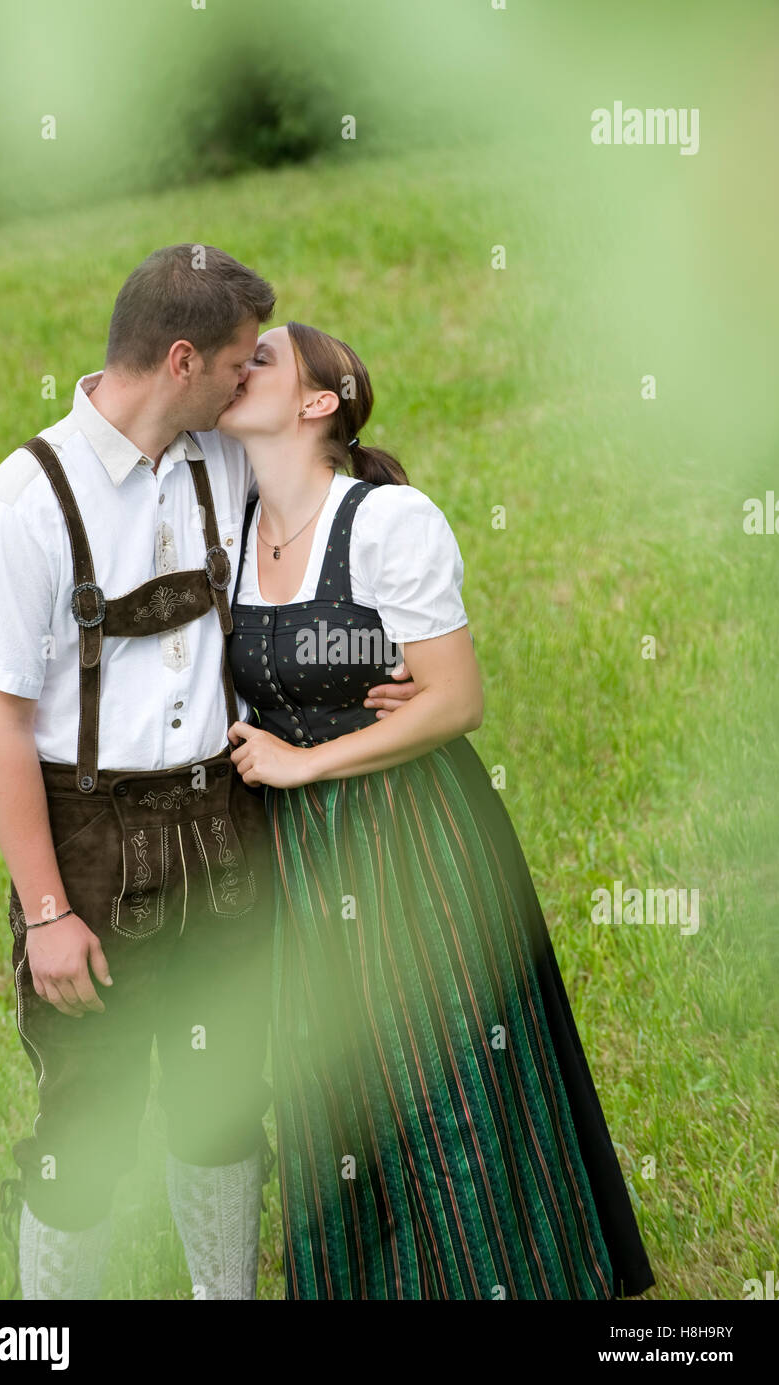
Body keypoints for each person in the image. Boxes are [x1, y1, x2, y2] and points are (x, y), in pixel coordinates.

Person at [0, 247, 418, 1301]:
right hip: (91, 852)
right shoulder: (21, 506)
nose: (253, 382)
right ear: (184, 359)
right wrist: (48, 909)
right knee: (84, 1115)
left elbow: (328, 511)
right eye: (243, 363)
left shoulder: (223, 459)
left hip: (223, 827)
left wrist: (384, 668)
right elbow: (0, 726)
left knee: (222, 1099)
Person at [220, 321, 657, 1300]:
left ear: (316, 401)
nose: (232, 364)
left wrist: (304, 761)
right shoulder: (235, 524)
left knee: (448, 1065)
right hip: (303, 854)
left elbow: (457, 700)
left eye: (261, 358)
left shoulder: (384, 520)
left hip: (409, 827)